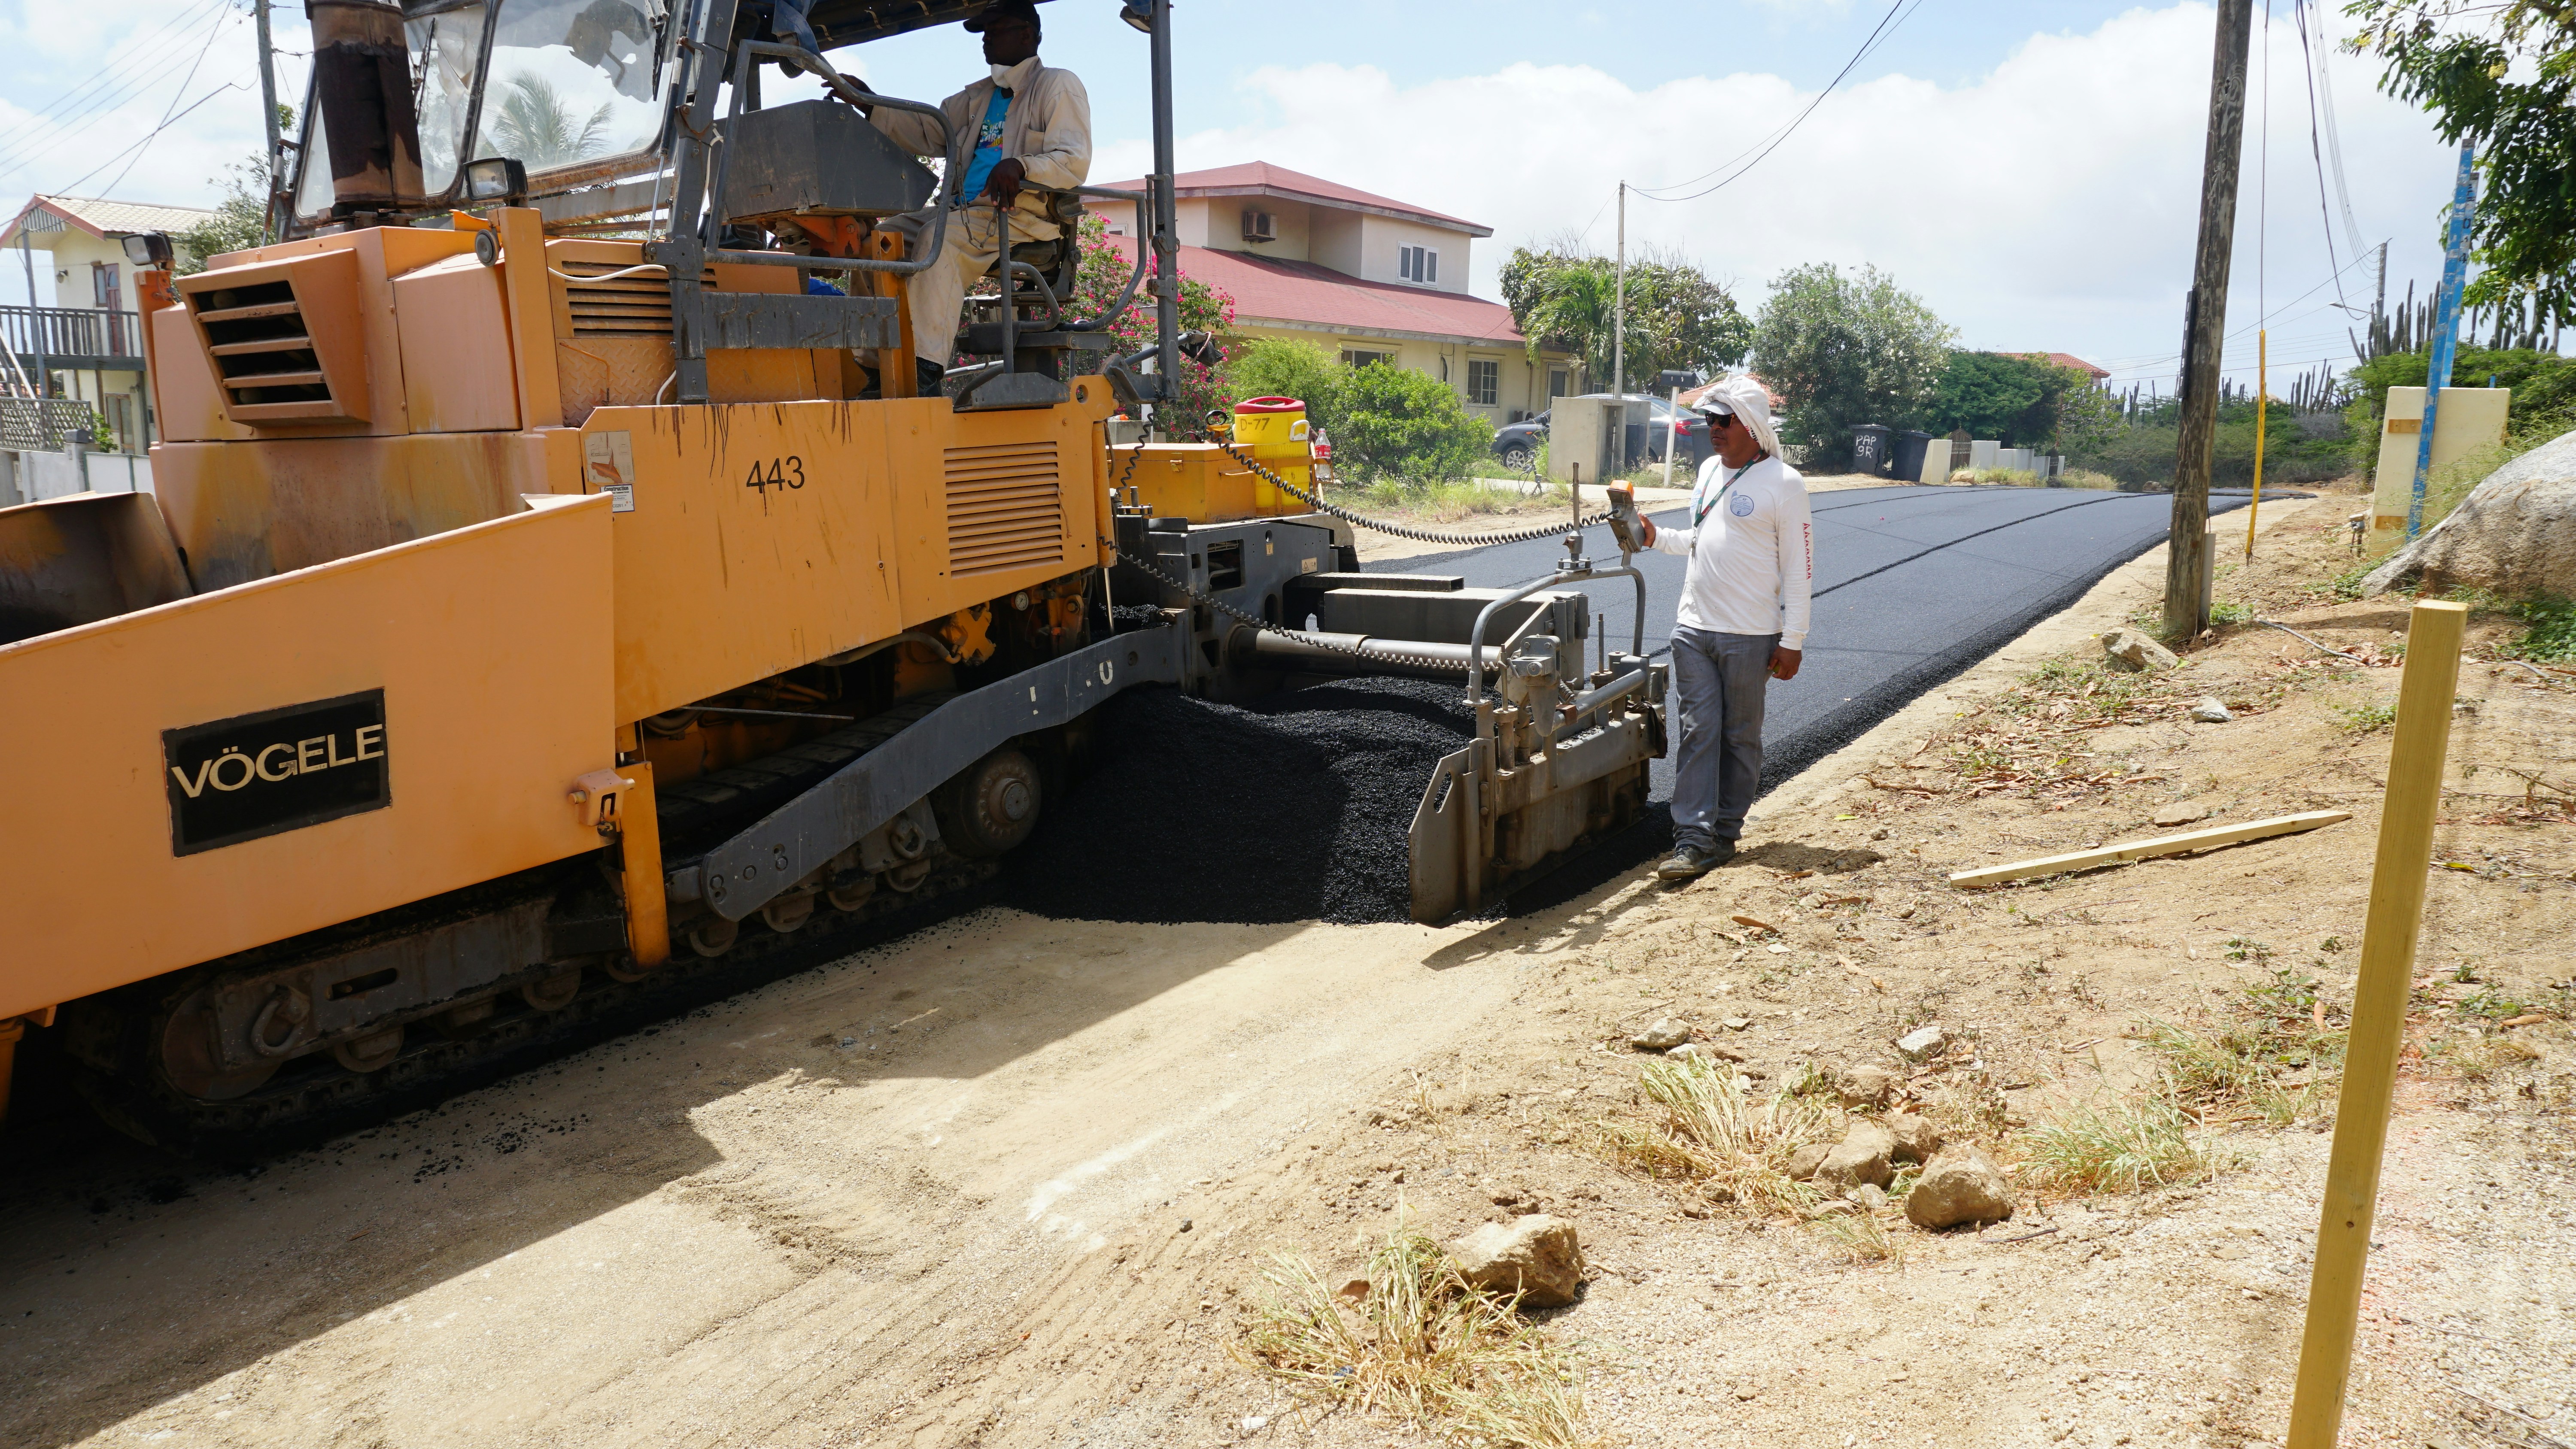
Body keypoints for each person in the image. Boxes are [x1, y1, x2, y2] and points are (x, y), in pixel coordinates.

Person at [859, 0, 1091, 391]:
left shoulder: (1057, 85)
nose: (986, 40)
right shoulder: (976, 98)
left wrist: (1021, 166)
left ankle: (923, 369)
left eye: (996, 30)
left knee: (939, 242)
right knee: (876, 241)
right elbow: (929, 132)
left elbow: (1073, 160)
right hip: (962, 212)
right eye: (984, 33)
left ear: (1028, 35)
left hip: (1018, 217)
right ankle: (874, 368)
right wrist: (870, 106)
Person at [1633, 376, 1812, 878]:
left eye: (1723, 420)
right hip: (1693, 627)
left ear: (1751, 426)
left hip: (1750, 635)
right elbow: (1700, 537)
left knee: (1739, 736)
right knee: (1698, 731)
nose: (1712, 428)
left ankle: (1725, 834)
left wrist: (1792, 639)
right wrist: (1655, 537)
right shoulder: (1710, 470)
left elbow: (1800, 569)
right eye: (1709, 419)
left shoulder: (1784, 483)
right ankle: (1692, 838)